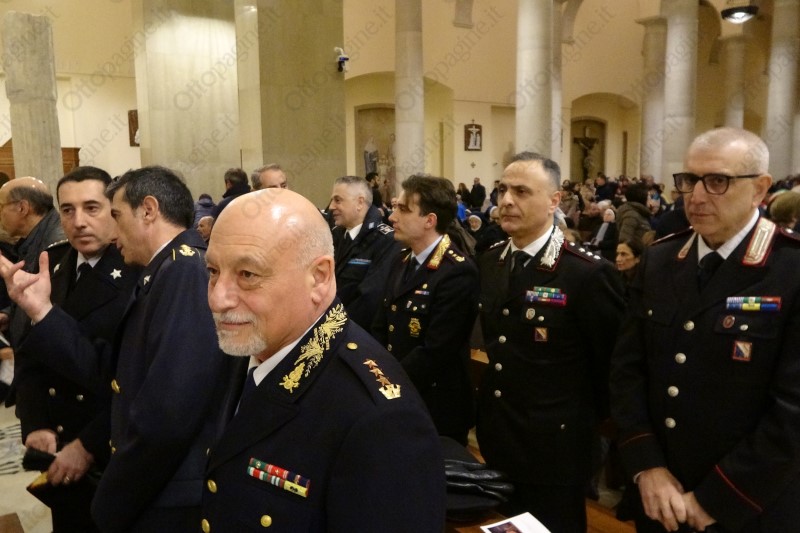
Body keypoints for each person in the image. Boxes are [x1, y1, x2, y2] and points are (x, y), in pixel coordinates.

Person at [201, 188, 445, 532]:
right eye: (213, 271)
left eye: (248, 275)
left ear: (318, 277)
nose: (218, 299)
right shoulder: (249, 349)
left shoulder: (379, 420)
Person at [0, 166, 228, 531]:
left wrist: (113, 491)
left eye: (113, 214)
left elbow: (167, 411)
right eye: (67, 210)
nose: (110, 229)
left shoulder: (181, 270)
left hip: (155, 483)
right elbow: (120, 370)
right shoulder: (160, 268)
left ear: (148, 210)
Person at [611, 127, 800, 533]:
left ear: (759, 189)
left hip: (750, 505)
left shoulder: (790, 268)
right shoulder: (660, 260)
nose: (695, 196)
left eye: (717, 181)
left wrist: (717, 497)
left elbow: (792, 411)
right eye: (689, 180)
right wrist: (647, 465)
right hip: (660, 498)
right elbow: (628, 371)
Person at [476, 151, 624, 533]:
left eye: (522, 191)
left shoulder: (585, 273)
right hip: (499, 435)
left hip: (556, 449)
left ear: (554, 200)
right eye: (503, 190)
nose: (507, 201)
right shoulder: (491, 261)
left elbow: (610, 367)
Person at [11, 166, 139, 532]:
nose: (79, 221)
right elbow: (30, 354)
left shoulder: (135, 271)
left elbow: (131, 382)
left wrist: (87, 446)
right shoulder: (52, 263)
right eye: (67, 210)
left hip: (108, 446)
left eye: (92, 208)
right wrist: (36, 423)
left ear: (115, 210)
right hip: (59, 441)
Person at [372, 175, 478, 445]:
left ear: (429, 220)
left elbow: (436, 350)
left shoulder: (457, 271)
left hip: (435, 406)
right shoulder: (401, 260)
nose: (392, 217)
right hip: (396, 395)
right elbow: (381, 326)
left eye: (403, 209)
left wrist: (387, 384)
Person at [328, 176, 399, 329]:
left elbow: (369, 298)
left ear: (360, 202)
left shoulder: (386, 241)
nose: (331, 206)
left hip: (354, 331)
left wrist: (331, 327)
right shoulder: (335, 235)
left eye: (338, 200)